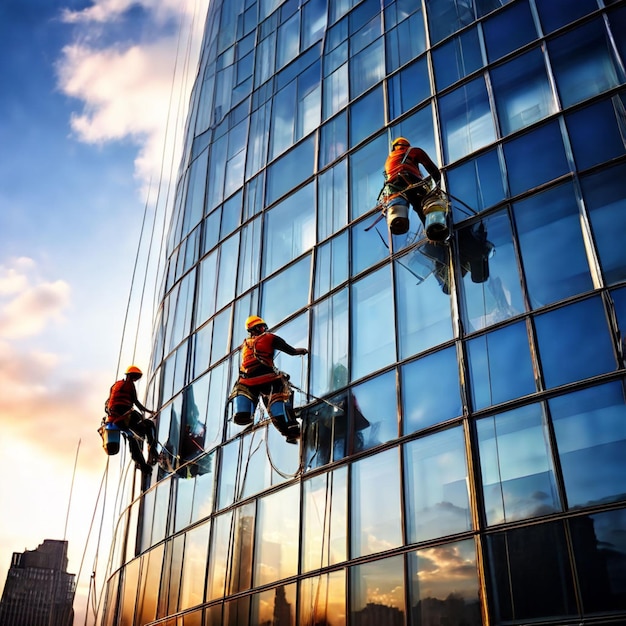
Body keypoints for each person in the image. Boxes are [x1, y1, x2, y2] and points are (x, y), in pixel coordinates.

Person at [229, 316, 308, 444]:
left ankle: (244, 413)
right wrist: (303, 351)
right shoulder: (269, 338)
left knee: (247, 394)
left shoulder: (245, 344)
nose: (264, 329)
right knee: (280, 399)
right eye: (261, 327)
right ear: (254, 329)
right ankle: (290, 427)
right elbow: (291, 351)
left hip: (247, 383)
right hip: (268, 380)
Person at [105, 365, 158, 474]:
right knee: (148, 425)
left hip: (113, 420)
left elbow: (108, 403)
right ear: (131, 376)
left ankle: (142, 465)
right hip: (124, 417)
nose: (135, 380)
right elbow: (136, 403)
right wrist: (150, 412)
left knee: (132, 438)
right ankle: (152, 451)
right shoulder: (129, 385)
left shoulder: (116, 385)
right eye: (135, 377)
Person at [384, 137, 442, 226]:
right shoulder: (413, 151)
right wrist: (439, 184)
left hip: (394, 186)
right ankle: (434, 225)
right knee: (427, 201)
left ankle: (398, 221)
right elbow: (431, 168)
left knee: (414, 206)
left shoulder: (389, 159)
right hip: (409, 178)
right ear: (406, 145)